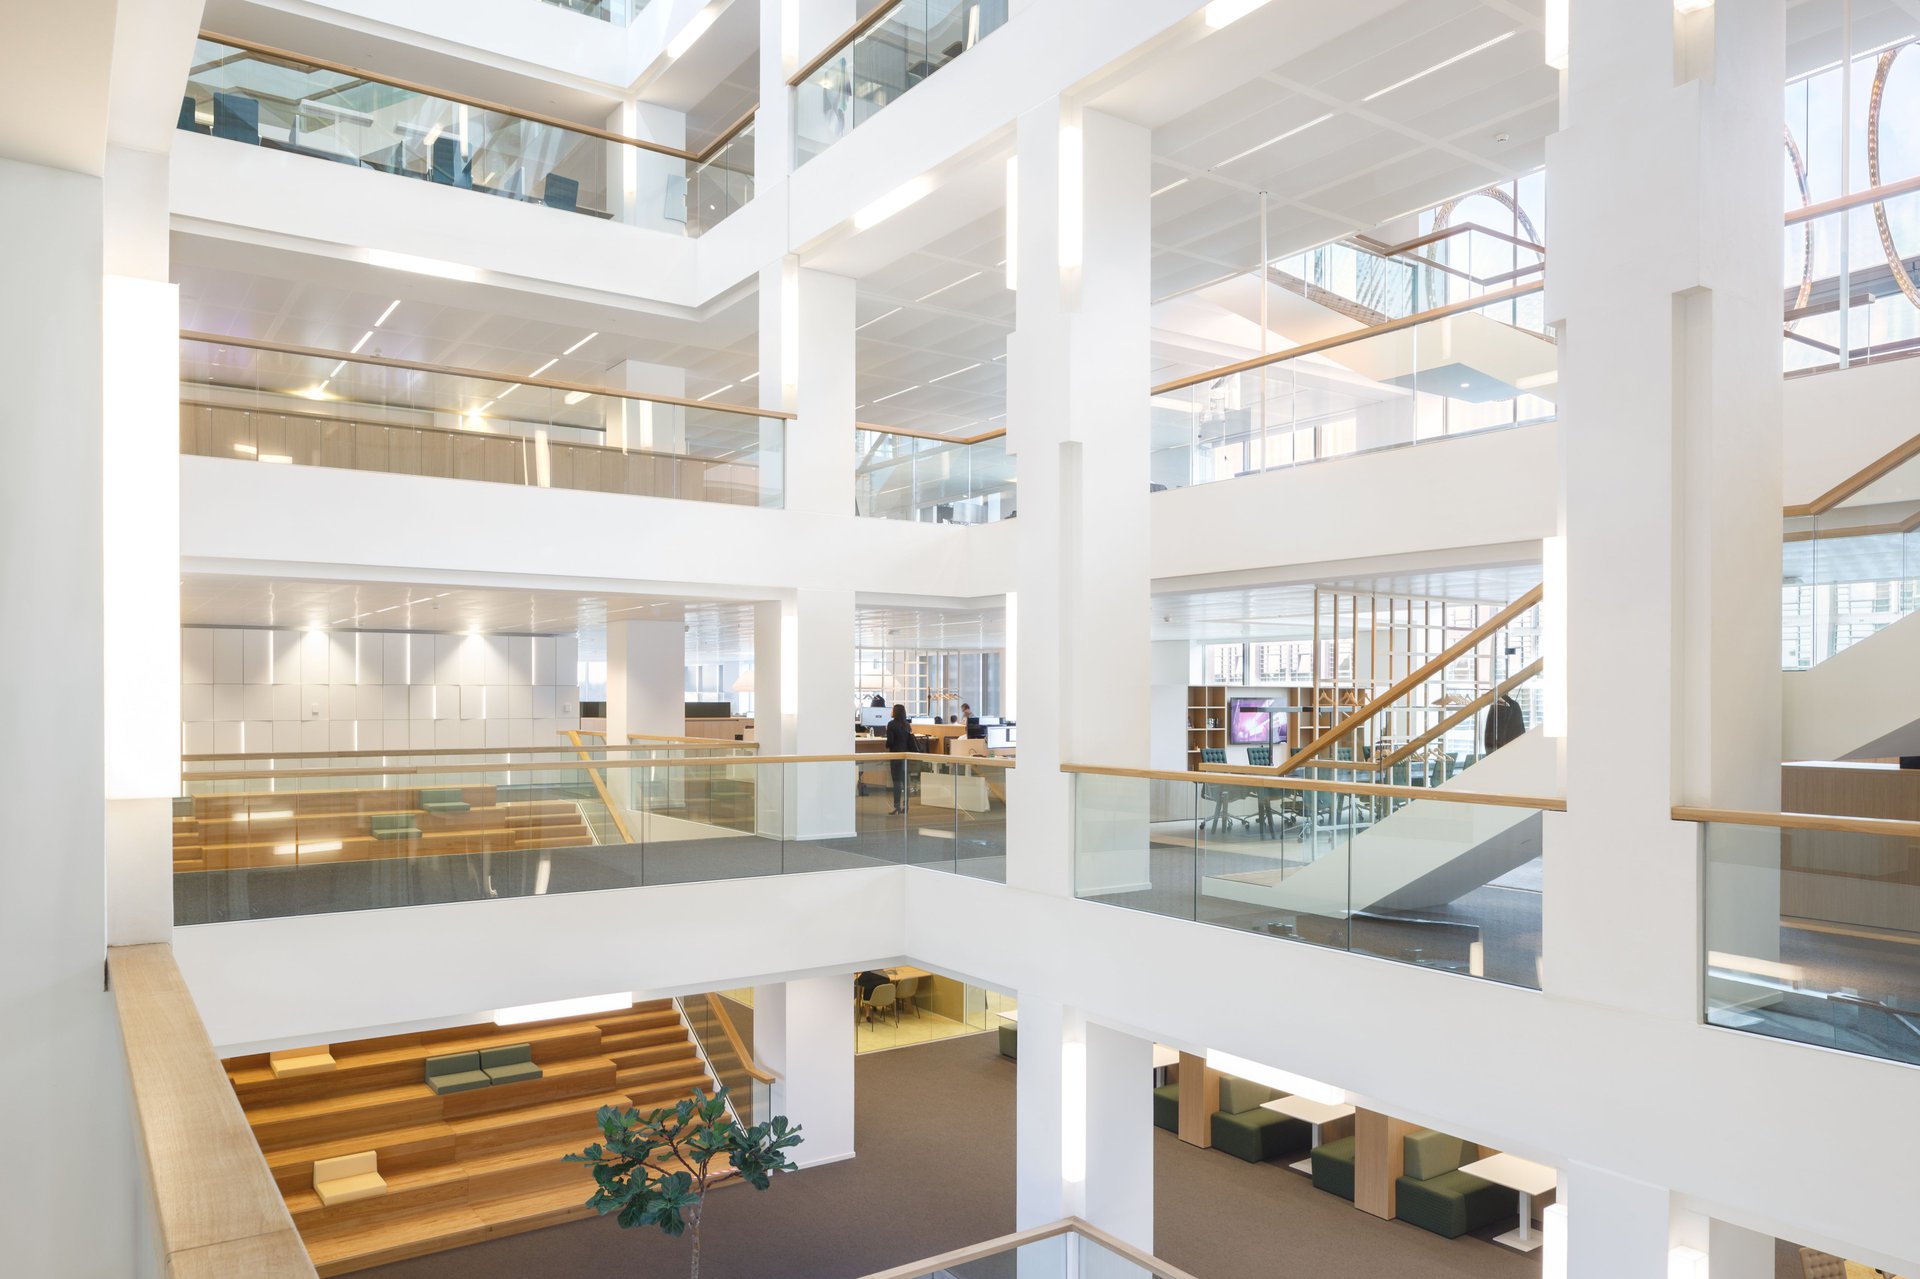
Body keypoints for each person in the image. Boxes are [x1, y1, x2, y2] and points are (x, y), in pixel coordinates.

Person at [884, 703, 914, 814]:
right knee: (905, 782)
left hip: (895, 756)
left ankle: (896, 806)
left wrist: (886, 744)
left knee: (896, 781)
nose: (891, 711)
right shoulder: (907, 725)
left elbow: (890, 742)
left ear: (895, 712)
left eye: (892, 710)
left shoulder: (891, 724)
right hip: (905, 756)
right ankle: (906, 806)